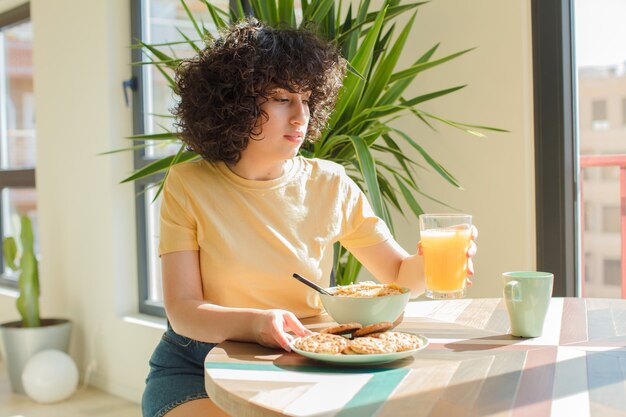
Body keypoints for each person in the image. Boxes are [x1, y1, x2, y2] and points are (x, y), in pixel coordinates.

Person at [141, 18, 476, 417]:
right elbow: (183, 311)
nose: (301, 116)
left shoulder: (330, 183)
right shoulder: (189, 184)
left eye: (307, 98)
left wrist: (431, 263)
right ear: (236, 103)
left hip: (306, 359)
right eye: (282, 98)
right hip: (196, 365)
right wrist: (258, 323)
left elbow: (398, 275)